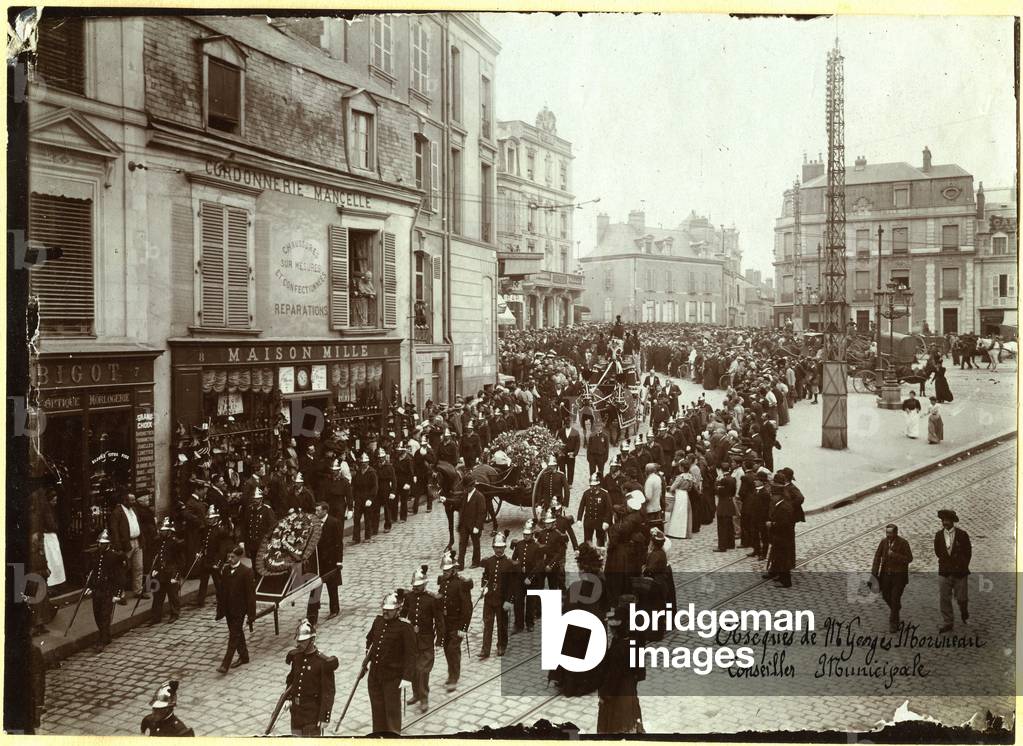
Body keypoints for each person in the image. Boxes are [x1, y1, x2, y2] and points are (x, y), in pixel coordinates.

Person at [365, 591, 416, 734]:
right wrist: (367, 657)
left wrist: (407, 677)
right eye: (384, 609)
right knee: (377, 709)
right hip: (375, 675)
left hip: (392, 677)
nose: (385, 612)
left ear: (398, 610)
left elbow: (411, 654)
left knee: (392, 711)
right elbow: (370, 639)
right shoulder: (378, 621)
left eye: (389, 610)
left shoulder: (405, 627)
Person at [597, 596, 645, 734]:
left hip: (618, 693)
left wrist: (604, 695)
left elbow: (614, 675)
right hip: (630, 688)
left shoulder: (619, 647)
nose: (611, 630)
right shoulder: (633, 639)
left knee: (616, 725)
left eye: (612, 628)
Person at [283, 619, 338, 736]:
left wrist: (325, 717)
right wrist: (288, 698)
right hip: (296, 714)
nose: (299, 644)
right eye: (298, 640)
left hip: (312, 715)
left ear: (312, 640)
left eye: (303, 641)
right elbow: (291, 679)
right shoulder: (296, 657)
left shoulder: (322, 662)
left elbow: (328, 692)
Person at [401, 565, 444, 713]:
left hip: (426, 640)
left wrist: (439, 641)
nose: (415, 588)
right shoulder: (409, 597)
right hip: (412, 640)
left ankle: (424, 697)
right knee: (413, 668)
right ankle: (416, 694)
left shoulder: (432, 600)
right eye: (414, 585)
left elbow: (439, 621)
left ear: (425, 584)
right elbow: (403, 615)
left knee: (423, 670)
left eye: (418, 585)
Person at [216, 545, 256, 674]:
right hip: (228, 609)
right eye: (228, 556)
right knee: (237, 633)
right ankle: (244, 656)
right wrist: (220, 609)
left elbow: (250, 595)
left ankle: (225, 664)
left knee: (233, 636)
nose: (229, 559)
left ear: (239, 557)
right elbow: (222, 590)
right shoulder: (226, 570)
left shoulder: (246, 572)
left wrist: (251, 614)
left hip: (240, 610)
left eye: (232, 557)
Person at [436, 550, 472, 692]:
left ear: (454, 570)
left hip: (457, 623)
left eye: (447, 570)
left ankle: (454, 677)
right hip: (446, 622)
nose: (444, 573)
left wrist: (464, 628)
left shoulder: (461, 584)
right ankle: (451, 673)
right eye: (444, 570)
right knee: (447, 648)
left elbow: (467, 608)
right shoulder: (443, 581)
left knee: (453, 649)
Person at [84, 529, 124, 650]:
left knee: (105, 616)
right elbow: (93, 573)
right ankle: (106, 636)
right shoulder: (96, 555)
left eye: (102, 543)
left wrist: (117, 593)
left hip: (108, 590)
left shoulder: (114, 556)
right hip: (97, 590)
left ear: (108, 544)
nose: (100, 545)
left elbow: (119, 577)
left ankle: (102, 640)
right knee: (97, 615)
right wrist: (90, 587)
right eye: (99, 543)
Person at [870, 524, 914, 632]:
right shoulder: (884, 542)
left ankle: (893, 623)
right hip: (886, 576)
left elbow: (909, 558)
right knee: (885, 596)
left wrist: (894, 555)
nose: (888, 535)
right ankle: (896, 608)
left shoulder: (903, 543)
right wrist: (874, 573)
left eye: (890, 533)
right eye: (887, 533)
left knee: (894, 599)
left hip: (899, 577)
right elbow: (877, 557)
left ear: (896, 533)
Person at [933, 509, 971, 633]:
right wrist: (945, 564)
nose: (945, 523)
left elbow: (968, 553)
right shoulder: (938, 535)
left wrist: (962, 566)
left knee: (961, 598)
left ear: (952, 521)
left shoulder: (962, 535)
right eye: (943, 520)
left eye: (947, 520)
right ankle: (948, 622)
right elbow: (938, 552)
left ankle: (964, 610)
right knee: (944, 598)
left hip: (960, 572)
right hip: (944, 572)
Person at [479, 530, 514, 659]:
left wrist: (509, 601)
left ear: (505, 547)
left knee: (502, 624)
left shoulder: (509, 563)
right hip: (489, 599)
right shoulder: (489, 561)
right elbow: (485, 577)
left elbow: (512, 585)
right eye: (496, 548)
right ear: (493, 548)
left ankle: (501, 646)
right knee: (487, 624)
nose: (498, 550)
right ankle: (485, 649)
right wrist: (483, 587)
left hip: (502, 600)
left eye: (501, 547)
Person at [308, 502, 343, 625]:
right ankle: (312, 614)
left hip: (330, 560)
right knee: (315, 587)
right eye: (315, 510)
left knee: (332, 586)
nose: (316, 513)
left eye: (318, 511)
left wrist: (339, 561)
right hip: (318, 561)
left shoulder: (334, 522)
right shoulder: (314, 523)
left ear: (325, 511)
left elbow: (339, 543)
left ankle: (334, 609)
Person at [194, 505, 232, 607]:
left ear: (216, 518)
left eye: (211, 519)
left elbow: (222, 550)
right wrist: (199, 552)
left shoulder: (220, 531)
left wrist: (218, 563)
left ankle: (222, 600)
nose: (209, 520)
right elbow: (203, 542)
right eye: (208, 519)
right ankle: (200, 601)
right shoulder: (206, 529)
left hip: (215, 560)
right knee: (203, 581)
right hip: (206, 559)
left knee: (218, 582)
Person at [109, 491, 145, 598]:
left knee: (139, 567)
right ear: (125, 501)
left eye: (134, 500)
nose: (134, 502)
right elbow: (114, 531)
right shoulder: (117, 512)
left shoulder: (134, 510)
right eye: (131, 500)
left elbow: (138, 524)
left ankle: (138, 591)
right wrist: (118, 547)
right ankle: (120, 594)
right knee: (122, 569)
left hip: (137, 541)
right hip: (126, 544)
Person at [148, 518, 183, 626]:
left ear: (169, 531)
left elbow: (180, 561)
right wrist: (154, 569)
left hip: (171, 572)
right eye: (161, 530)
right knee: (157, 596)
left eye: (163, 530)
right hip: (160, 572)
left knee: (173, 595)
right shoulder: (158, 541)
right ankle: (156, 617)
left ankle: (175, 613)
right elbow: (156, 557)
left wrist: (176, 575)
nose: (161, 532)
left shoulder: (176, 543)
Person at [763, 476, 796, 587]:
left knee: (783, 558)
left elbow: (784, 524)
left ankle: (786, 582)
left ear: (778, 496)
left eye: (773, 495)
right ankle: (781, 577)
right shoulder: (781, 505)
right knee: (779, 557)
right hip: (780, 536)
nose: (772, 497)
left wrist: (771, 524)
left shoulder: (784, 507)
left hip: (783, 537)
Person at [458, 476, 486, 569]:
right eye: (465, 487)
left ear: (472, 486)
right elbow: (458, 503)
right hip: (464, 524)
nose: (465, 489)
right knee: (462, 544)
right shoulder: (465, 495)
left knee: (476, 544)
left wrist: (477, 526)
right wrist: (447, 500)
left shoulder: (479, 496)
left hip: (474, 526)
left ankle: (476, 562)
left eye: (466, 487)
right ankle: (460, 564)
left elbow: (482, 513)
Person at [577, 473, 612, 547]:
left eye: (596, 486)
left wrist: (606, 521)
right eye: (592, 486)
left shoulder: (604, 494)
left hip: (600, 521)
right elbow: (581, 507)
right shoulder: (586, 493)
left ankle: (600, 553)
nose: (594, 488)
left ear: (599, 485)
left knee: (600, 541)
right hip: (588, 521)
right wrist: (579, 519)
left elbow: (608, 509)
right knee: (587, 541)